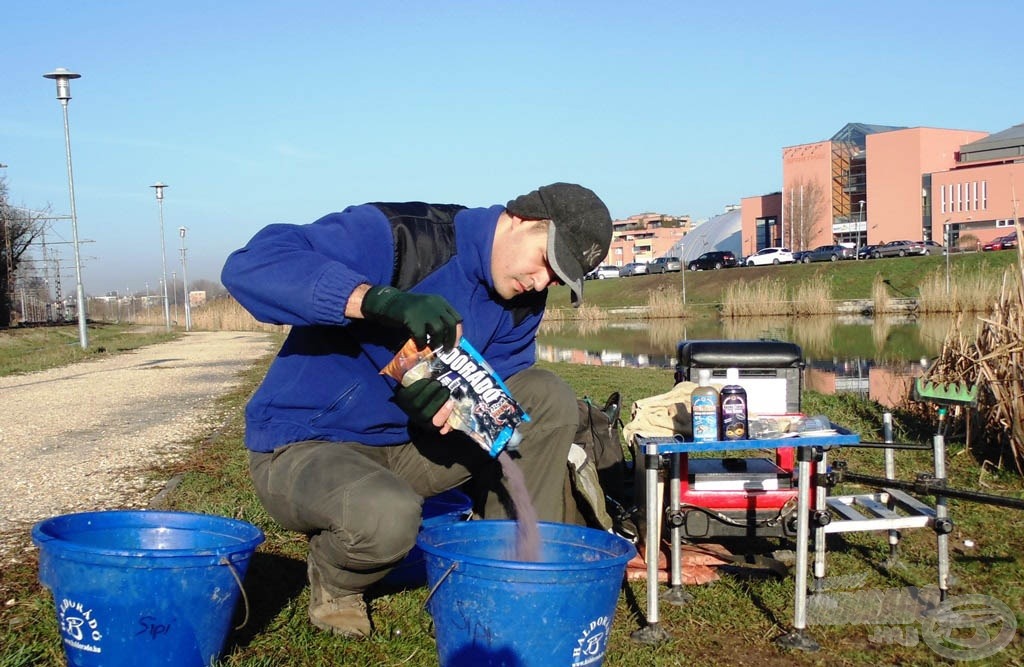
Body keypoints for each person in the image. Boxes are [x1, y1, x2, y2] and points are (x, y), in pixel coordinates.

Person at [221, 182, 613, 638]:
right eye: (547, 261)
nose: (543, 282)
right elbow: (251, 265)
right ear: (521, 219)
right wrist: (379, 300)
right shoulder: (403, 236)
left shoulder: (523, 302)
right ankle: (335, 581)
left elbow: (489, 394)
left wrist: (442, 411)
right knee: (388, 517)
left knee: (545, 396)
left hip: (407, 445)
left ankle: (512, 570)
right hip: (307, 441)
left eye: (559, 279)